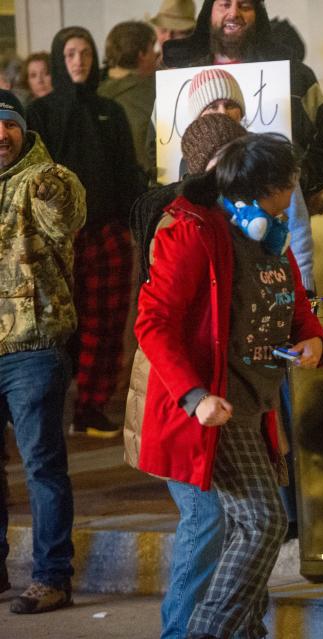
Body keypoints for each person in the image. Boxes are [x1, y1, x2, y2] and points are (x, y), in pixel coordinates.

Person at [136, 132, 323, 639]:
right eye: (291, 183)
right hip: (212, 408)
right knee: (262, 523)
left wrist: (312, 339)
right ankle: (204, 632)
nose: (296, 191)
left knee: (253, 529)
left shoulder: (269, 232)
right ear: (267, 188)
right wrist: (195, 397)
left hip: (254, 403)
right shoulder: (194, 230)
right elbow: (152, 323)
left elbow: (294, 306)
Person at [27, 26, 145, 438]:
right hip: (55, 238)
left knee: (107, 323)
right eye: (72, 53)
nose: (79, 61)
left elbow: (128, 173)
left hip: (107, 231)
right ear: (61, 58)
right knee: (53, 324)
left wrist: (137, 224)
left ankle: (93, 405)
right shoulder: (39, 113)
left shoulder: (110, 112)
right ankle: (49, 408)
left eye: (86, 54)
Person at [0, 89, 85, 614]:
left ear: (22, 128)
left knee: (43, 468)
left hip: (33, 348)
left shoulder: (47, 177)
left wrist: (51, 184)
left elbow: (66, 219)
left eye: (7, 124)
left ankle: (52, 577)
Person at [162, 0, 323, 217]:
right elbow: (156, 147)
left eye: (244, 5)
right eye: (225, 4)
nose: (234, 13)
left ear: (257, 13)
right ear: (208, 13)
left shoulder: (295, 75)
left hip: (278, 221)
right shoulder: (177, 76)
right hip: (198, 220)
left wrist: (295, 184)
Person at [99, 21, 158, 180]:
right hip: (145, 181)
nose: (156, 54)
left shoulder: (95, 90)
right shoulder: (151, 88)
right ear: (141, 54)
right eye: (152, 48)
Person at [150, 0, 197, 67]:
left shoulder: (203, 64)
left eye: (177, 33)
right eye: (163, 30)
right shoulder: (146, 66)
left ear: (190, 35)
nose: (168, 37)